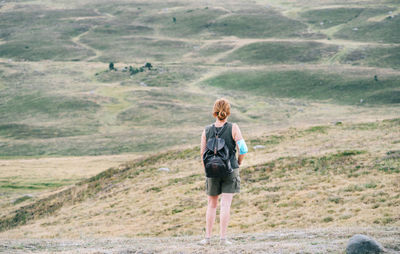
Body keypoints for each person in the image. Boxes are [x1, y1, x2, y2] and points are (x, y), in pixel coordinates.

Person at [198, 98, 248, 245]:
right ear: (228, 112)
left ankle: (207, 238)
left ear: (214, 112)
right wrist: (238, 162)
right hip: (230, 170)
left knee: (211, 205)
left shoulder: (206, 130)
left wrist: (208, 169)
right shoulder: (234, 128)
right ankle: (223, 239)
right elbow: (243, 149)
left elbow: (202, 154)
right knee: (225, 204)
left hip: (211, 171)